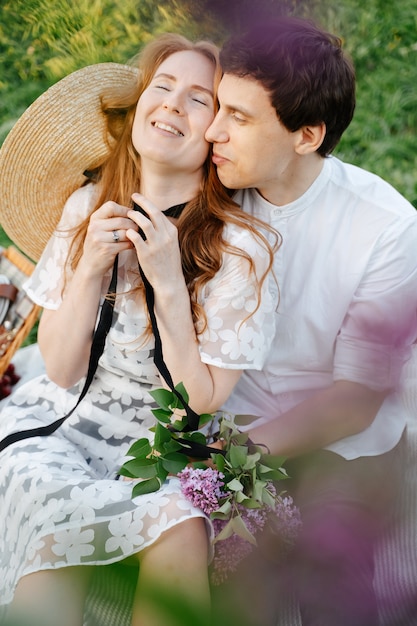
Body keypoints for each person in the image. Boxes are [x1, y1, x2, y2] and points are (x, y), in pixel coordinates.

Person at [0, 33, 278, 626]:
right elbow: (60, 369)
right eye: (163, 86)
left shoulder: (242, 249)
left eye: (198, 100)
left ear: (217, 137)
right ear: (137, 110)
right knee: (48, 504)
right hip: (68, 423)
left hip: (167, 445)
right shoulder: (86, 207)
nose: (173, 105)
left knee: (179, 527)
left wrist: (170, 286)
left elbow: (202, 401)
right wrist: (91, 269)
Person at [205, 16, 417, 626]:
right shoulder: (211, 191)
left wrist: (231, 456)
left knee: (338, 592)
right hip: (233, 417)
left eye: (239, 118)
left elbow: (355, 402)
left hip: (338, 445)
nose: (214, 132)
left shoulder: (387, 228)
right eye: (219, 106)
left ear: (307, 135)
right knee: (239, 591)